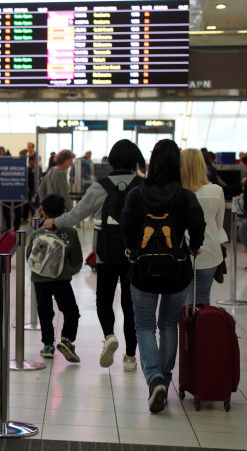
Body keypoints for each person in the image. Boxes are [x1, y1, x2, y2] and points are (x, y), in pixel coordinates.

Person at [43, 139, 146, 371]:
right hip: (135, 255)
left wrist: (53, 222)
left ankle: (109, 336)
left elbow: (76, 215)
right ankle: (130, 358)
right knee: (130, 304)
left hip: (106, 253)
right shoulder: (143, 185)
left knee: (104, 299)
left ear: (111, 161)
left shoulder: (101, 186)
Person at [120, 139, 205, 413]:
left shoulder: (136, 194)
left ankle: (154, 377)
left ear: (152, 162)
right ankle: (164, 382)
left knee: (144, 326)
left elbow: (126, 229)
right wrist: (194, 245)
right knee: (168, 326)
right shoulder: (185, 196)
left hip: (143, 271)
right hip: (177, 269)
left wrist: (134, 249)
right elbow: (198, 224)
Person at [28, 194, 83, 362]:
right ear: (65, 212)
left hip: (39, 280)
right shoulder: (70, 233)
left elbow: (29, 256)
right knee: (71, 311)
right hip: (62, 280)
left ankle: (48, 346)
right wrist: (69, 271)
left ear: (43, 213)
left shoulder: (36, 234)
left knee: (45, 312)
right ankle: (66, 339)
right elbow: (77, 261)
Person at [181, 148, 227, 305]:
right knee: (202, 298)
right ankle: (201, 328)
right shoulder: (216, 191)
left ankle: (184, 329)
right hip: (210, 253)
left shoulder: (178, 192)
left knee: (182, 300)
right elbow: (219, 226)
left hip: (182, 253)